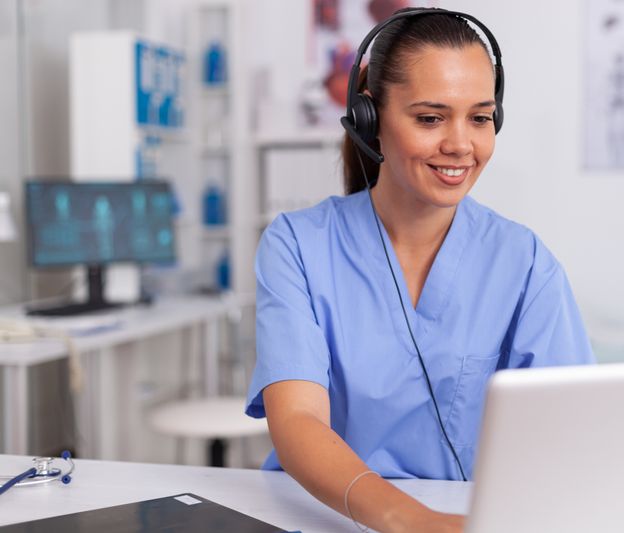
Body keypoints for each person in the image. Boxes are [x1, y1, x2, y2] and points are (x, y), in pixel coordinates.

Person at [246, 8, 594, 533]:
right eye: (431, 118)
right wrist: (409, 521)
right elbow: (296, 420)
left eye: (479, 117)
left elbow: (570, 429)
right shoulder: (298, 244)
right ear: (369, 120)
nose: (460, 144)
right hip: (324, 515)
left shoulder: (524, 262)